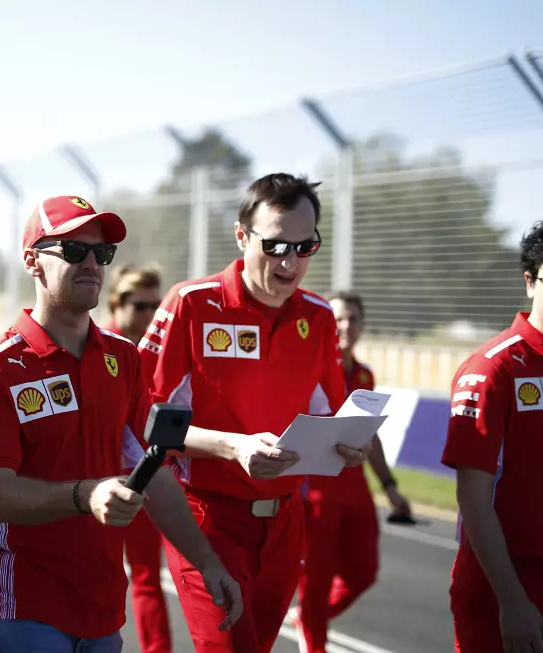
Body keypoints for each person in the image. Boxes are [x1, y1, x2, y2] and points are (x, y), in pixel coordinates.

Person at [0, 195, 242, 653]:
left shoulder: (123, 358)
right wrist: (87, 494)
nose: (92, 263)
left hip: (102, 603)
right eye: (74, 250)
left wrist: (208, 562)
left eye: (101, 252)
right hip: (25, 601)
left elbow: (156, 472)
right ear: (33, 261)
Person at [138, 173, 373, 652]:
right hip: (205, 518)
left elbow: (329, 416)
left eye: (305, 247)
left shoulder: (320, 317)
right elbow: (141, 418)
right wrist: (232, 447)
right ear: (242, 236)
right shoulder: (192, 303)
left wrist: (351, 443)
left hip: (286, 526)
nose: (290, 262)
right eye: (276, 246)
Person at [441, 211, 543, 652]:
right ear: (530, 282)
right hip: (507, 590)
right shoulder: (493, 368)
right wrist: (512, 602)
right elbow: (473, 499)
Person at [294, 290, 412, 653]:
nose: (346, 326)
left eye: (353, 319)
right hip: (315, 494)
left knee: (363, 572)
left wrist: (390, 486)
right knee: (315, 581)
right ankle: (313, 637)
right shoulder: (306, 367)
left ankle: (309, 619)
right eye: (338, 319)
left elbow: (369, 437)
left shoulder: (363, 374)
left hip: (356, 493)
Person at [105, 264, 172, 653]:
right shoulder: (95, 344)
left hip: (145, 474)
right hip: (94, 478)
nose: (149, 314)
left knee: (147, 575)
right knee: (92, 572)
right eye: (140, 305)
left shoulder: (158, 349)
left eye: (156, 305)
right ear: (118, 303)